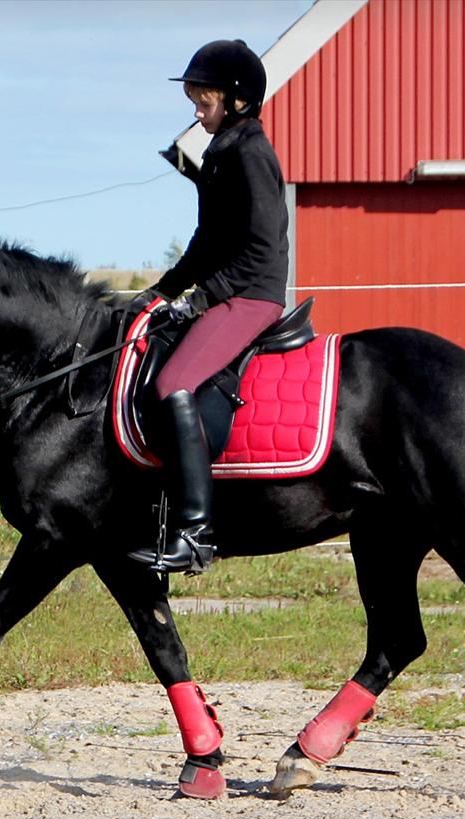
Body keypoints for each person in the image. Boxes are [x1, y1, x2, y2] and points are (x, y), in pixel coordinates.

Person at [128, 39, 289, 573]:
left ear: (238, 101)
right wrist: (162, 291)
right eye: (194, 101)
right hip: (230, 289)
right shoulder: (222, 152)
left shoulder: (251, 154)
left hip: (252, 295)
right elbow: (206, 243)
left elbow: (260, 249)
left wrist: (202, 298)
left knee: (173, 384)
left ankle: (196, 532)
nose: (197, 114)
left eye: (204, 102)